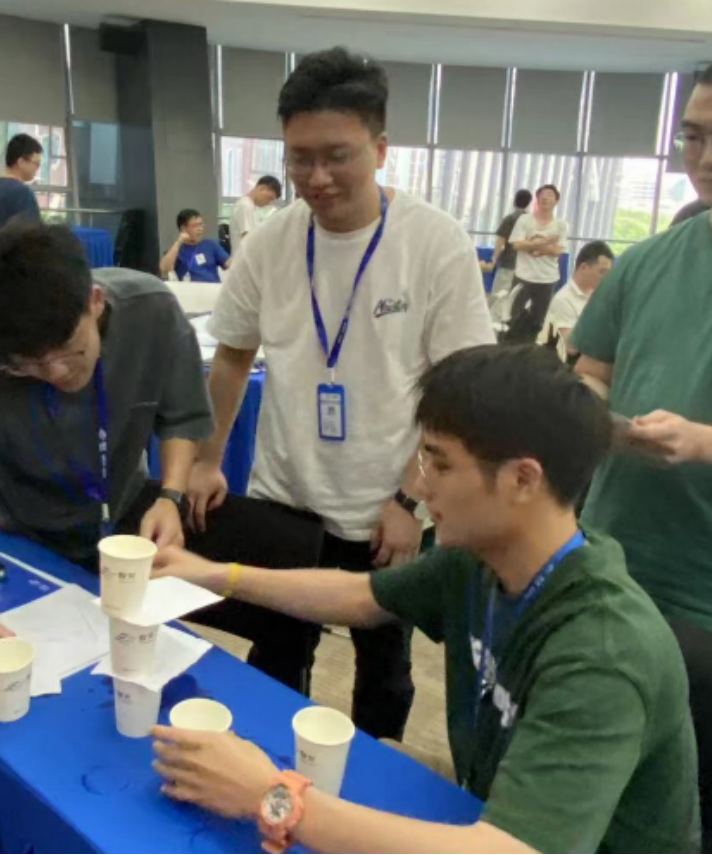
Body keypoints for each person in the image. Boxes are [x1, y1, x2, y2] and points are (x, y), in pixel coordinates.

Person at [152, 345, 700, 855]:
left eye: (440, 464)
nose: (423, 485)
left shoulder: (601, 651)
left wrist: (272, 798)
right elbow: (362, 596)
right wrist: (216, 575)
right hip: (484, 802)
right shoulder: (484, 557)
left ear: (523, 480)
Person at [188, 47, 494, 740]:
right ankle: (264, 765)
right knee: (277, 651)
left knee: (383, 665)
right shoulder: (272, 242)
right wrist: (207, 460)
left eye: (337, 156)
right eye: (300, 158)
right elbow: (232, 356)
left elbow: (460, 391)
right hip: (284, 496)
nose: (316, 178)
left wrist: (409, 500)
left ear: (379, 149)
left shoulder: (435, 242)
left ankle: (368, 784)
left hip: (384, 505)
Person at [0, 222, 309, 712]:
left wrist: (171, 496)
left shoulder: (150, 311)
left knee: (286, 570)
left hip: (128, 508)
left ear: (95, 301)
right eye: (29, 366)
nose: (56, 374)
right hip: (34, 536)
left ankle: (281, 710)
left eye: (69, 351)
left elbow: (181, 414)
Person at [572, 45, 712, 649]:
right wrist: (594, 414)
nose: (708, 156)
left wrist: (700, 442)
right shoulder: (646, 260)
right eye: (693, 137)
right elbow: (593, 370)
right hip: (610, 565)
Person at [502, 184, 568, 343]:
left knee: (538, 322)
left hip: (547, 279)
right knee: (512, 318)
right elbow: (517, 245)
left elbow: (557, 251)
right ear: (537, 199)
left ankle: (529, 350)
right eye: (542, 195)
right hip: (523, 276)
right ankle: (509, 349)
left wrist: (532, 245)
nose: (545, 198)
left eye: (550, 195)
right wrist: (546, 242)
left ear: (556, 201)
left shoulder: (561, 225)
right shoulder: (525, 220)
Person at [539, 240, 613, 362]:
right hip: (572, 363)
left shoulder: (600, 295)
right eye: (602, 272)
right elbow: (570, 348)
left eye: (608, 273)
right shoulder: (564, 299)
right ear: (584, 267)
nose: (606, 278)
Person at [0, 133, 43, 238]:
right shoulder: (23, 193)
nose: (37, 169)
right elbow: (34, 236)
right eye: (36, 164)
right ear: (21, 162)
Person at [484, 188, 532, 320]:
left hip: (508, 263)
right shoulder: (531, 221)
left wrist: (494, 259)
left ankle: (494, 322)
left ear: (514, 201)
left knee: (499, 294)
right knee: (517, 297)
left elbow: (501, 241)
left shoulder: (510, 219)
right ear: (529, 203)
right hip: (525, 266)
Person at [159, 209, 230, 282]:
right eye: (195, 226)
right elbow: (164, 269)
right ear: (183, 228)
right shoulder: (177, 249)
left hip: (212, 286)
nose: (200, 229)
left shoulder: (211, 245)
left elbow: (230, 264)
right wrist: (179, 242)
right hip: (189, 287)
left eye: (201, 225)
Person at [229, 175, 282, 254]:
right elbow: (248, 238)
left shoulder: (252, 207)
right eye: (270, 198)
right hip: (244, 258)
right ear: (262, 188)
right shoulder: (245, 206)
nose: (269, 203)